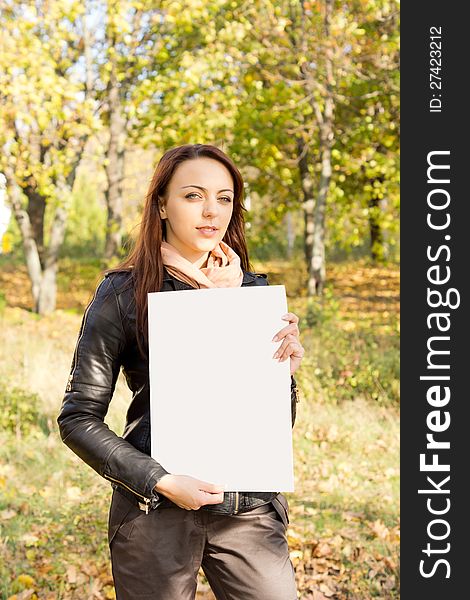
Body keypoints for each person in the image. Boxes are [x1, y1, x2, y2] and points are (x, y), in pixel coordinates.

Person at [57, 143, 305, 599]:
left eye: (225, 198)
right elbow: (77, 419)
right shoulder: (123, 295)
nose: (212, 211)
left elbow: (276, 424)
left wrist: (281, 374)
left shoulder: (251, 294)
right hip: (156, 513)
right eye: (193, 196)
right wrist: (160, 481)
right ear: (161, 205)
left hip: (247, 508)